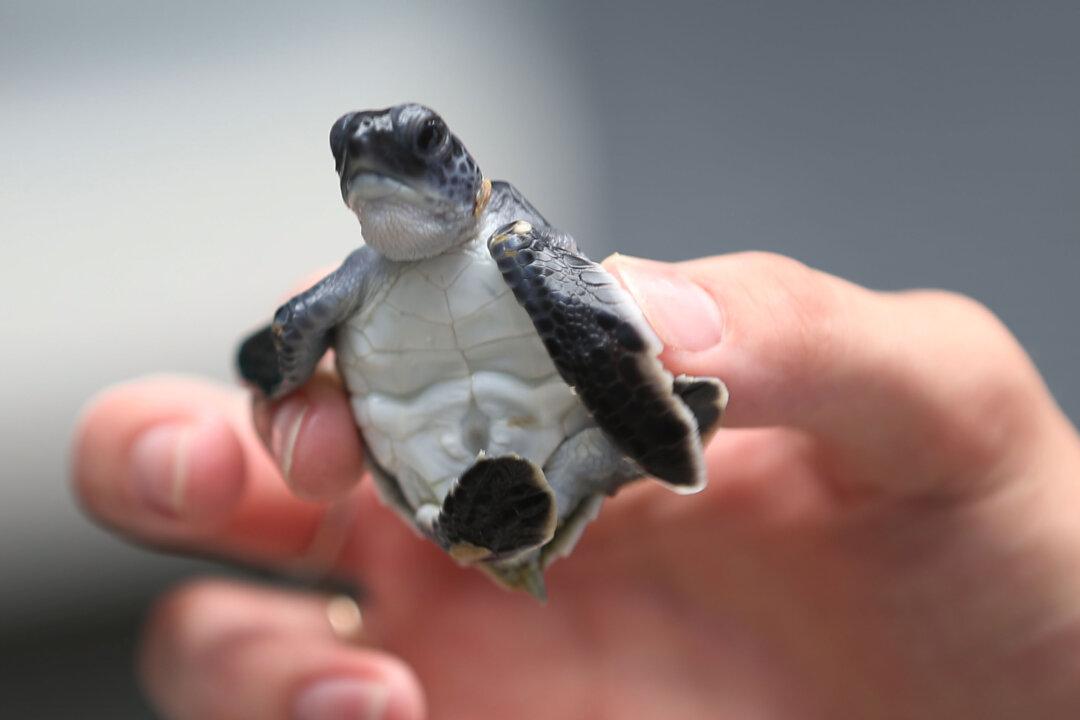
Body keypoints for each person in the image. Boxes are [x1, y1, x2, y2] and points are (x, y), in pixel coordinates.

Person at [72, 252, 1080, 720]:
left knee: (597, 421)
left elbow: (591, 322)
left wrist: (649, 415)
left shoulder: (508, 239)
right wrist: (277, 367)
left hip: (547, 454)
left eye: (417, 149)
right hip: (434, 480)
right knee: (320, 385)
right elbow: (278, 355)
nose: (385, 171)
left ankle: (574, 476)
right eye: (359, 161)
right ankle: (495, 515)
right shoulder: (356, 280)